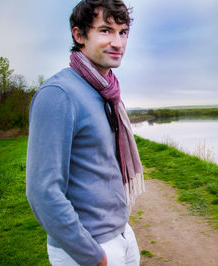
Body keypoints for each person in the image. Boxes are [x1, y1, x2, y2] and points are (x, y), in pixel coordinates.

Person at [26, 0, 145, 265]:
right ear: (79, 35)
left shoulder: (107, 92)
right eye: (105, 30)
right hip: (90, 247)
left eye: (122, 32)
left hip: (122, 234)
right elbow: (42, 192)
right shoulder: (59, 94)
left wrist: (123, 233)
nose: (118, 42)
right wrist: (93, 255)